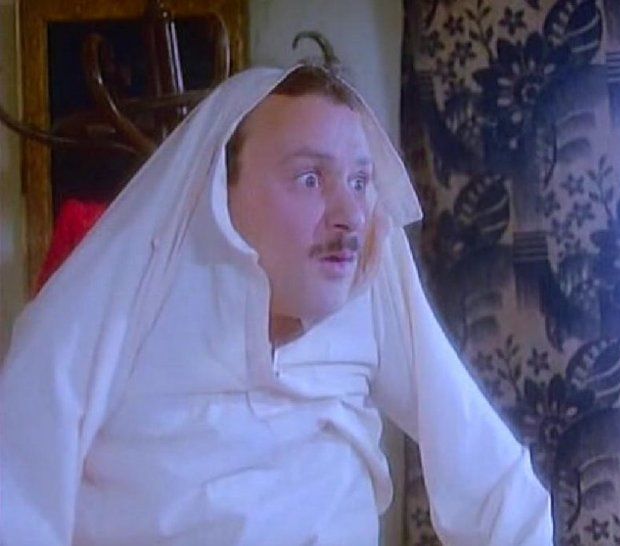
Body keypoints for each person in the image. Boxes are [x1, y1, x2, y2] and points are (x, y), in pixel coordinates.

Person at [0, 63, 553, 545]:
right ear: (221, 189)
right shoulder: (121, 298)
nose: (350, 216)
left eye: (360, 180)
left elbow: (495, 483)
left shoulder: (370, 280)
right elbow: (15, 494)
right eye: (310, 178)